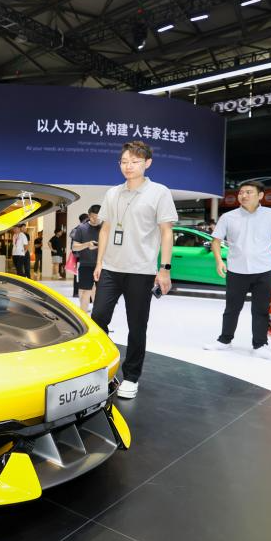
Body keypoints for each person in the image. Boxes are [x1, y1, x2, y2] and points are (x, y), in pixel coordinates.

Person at [92, 140, 178, 400]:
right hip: (111, 268)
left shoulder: (159, 192)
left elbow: (167, 232)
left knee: (137, 325)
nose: (128, 166)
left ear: (147, 163)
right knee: (98, 318)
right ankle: (101, 367)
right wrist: (99, 262)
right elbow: (105, 229)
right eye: (124, 161)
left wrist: (164, 268)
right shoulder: (112, 193)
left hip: (141, 270)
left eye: (135, 161)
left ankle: (131, 376)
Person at [203, 181, 271, 362]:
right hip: (236, 270)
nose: (243, 195)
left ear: (260, 195)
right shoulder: (228, 217)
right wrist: (219, 261)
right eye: (241, 192)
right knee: (232, 308)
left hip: (265, 269)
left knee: (261, 309)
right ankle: (224, 340)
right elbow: (216, 241)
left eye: (248, 192)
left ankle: (260, 345)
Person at [71, 205, 102, 313]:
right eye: (93, 217)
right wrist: (87, 244)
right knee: (85, 291)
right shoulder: (81, 228)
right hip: (86, 264)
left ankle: (97, 318)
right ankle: (83, 317)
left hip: (102, 265)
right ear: (89, 216)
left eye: (98, 217)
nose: (95, 220)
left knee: (100, 294)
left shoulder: (104, 228)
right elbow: (74, 247)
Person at [70, 212, 89, 296]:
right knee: (80, 274)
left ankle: (76, 292)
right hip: (82, 256)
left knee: (77, 274)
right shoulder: (80, 229)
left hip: (79, 255)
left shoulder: (76, 228)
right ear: (85, 219)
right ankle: (77, 292)